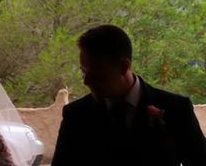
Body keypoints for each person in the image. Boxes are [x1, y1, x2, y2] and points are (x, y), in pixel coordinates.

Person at [52, 24, 206, 166]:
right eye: (83, 72)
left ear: (124, 66)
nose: (86, 81)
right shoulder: (76, 116)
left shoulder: (176, 109)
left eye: (97, 74)